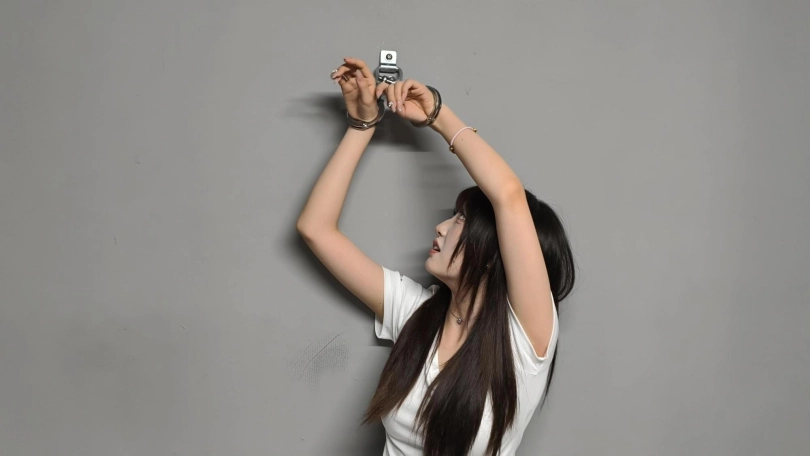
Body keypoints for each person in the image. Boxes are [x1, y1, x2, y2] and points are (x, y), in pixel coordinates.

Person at [296, 57, 575, 456]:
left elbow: (508, 196)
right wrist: (362, 124)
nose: (441, 227)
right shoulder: (416, 313)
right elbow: (316, 229)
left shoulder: (526, 338)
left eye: (461, 220)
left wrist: (437, 115)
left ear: (495, 252)